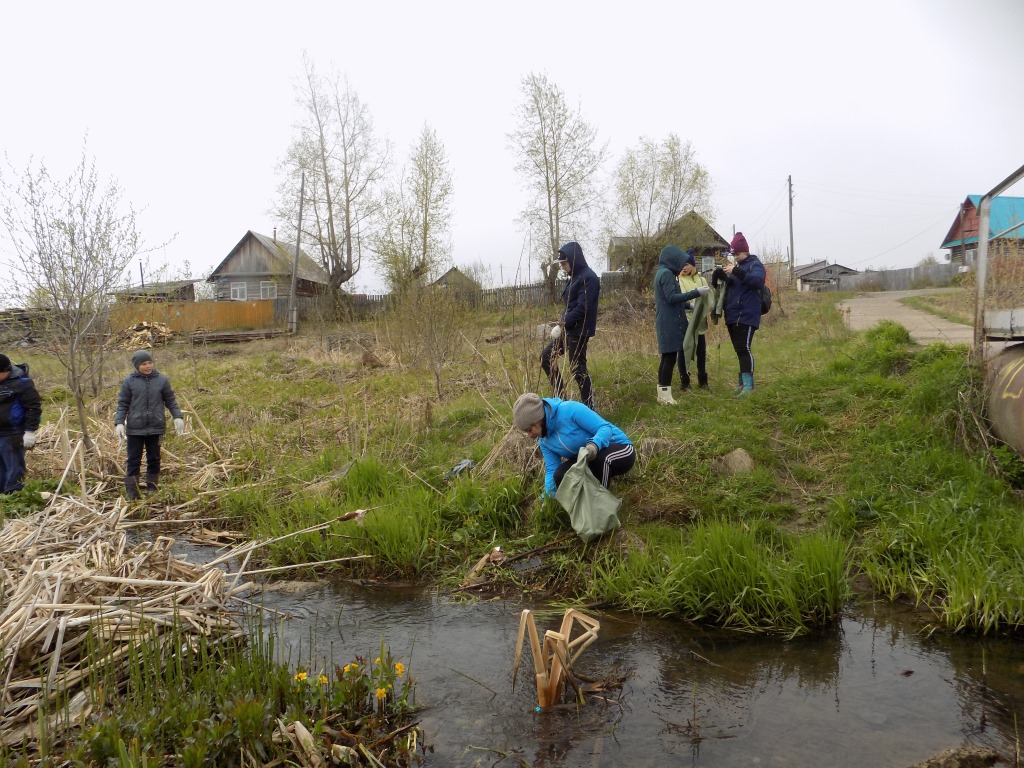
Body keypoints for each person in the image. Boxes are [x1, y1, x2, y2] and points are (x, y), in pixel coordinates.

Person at [512, 392, 634, 499]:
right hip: (589, 458)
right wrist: (547, 497)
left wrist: (594, 445)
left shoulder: (570, 410)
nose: (529, 435)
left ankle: (601, 511)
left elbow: (605, 428)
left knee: (599, 461)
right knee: (560, 475)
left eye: (529, 430)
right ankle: (583, 510)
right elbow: (552, 469)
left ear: (538, 419)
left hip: (620, 448)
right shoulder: (544, 441)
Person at [114, 349, 185, 500]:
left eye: (150, 362)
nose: (148, 366)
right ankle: (132, 492)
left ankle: (152, 489)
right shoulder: (129, 382)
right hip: (135, 429)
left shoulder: (162, 380)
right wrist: (119, 422)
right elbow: (123, 404)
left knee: (154, 458)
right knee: (133, 459)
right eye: (144, 364)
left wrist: (177, 416)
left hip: (156, 428)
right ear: (137, 365)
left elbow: (170, 400)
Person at [540, 241, 600, 409]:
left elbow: (583, 308)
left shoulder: (589, 278)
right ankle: (562, 400)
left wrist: (563, 323)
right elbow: (569, 305)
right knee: (546, 358)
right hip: (568, 329)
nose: (563, 267)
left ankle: (589, 409)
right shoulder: (573, 276)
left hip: (580, 330)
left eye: (564, 263)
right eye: (561, 264)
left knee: (577, 369)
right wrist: (562, 323)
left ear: (574, 260)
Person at [653, 245, 710, 404]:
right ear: (673, 260)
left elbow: (670, 298)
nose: (682, 266)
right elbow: (672, 298)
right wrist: (696, 293)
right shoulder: (666, 274)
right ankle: (665, 396)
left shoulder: (663, 273)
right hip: (669, 322)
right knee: (669, 358)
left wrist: (689, 306)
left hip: (667, 320)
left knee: (667, 357)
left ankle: (663, 394)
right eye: (680, 262)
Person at [720, 232, 766, 397]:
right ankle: (742, 383)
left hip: (746, 314)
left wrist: (736, 272)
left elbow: (757, 281)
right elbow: (732, 288)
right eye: (734, 255)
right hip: (733, 314)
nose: (735, 257)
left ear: (745, 251)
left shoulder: (755, 265)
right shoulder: (737, 268)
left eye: (737, 254)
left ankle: (749, 386)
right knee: (739, 350)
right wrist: (723, 277)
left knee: (744, 348)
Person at [0, 354, 42, 494]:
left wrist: (30, 431)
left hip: (13, 433)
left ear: (5, 371)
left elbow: (33, 408)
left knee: (13, 469)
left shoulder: (23, 383)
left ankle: (13, 496)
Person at [678, 249, 714, 390]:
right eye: (682, 265)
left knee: (701, 351)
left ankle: (703, 382)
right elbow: (679, 299)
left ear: (693, 265)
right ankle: (685, 382)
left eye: (687, 264)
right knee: (684, 350)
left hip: (699, 320)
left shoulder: (702, 279)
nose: (684, 267)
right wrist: (690, 304)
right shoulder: (679, 280)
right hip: (686, 320)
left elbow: (708, 298)